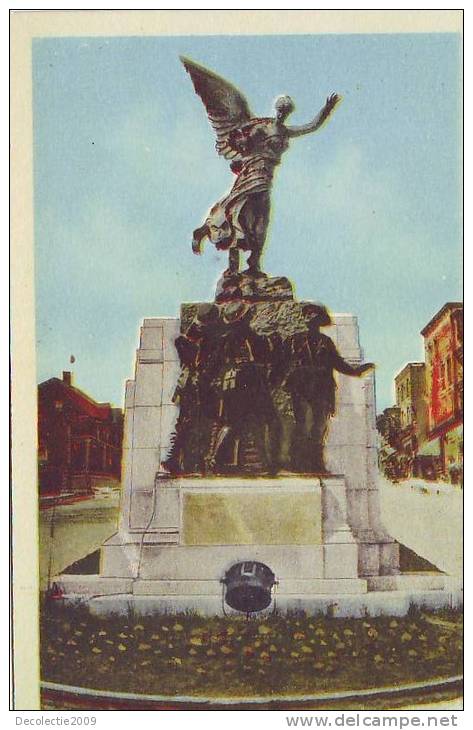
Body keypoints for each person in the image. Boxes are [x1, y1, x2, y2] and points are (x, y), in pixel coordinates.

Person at [284, 304, 374, 473]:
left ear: (319, 322)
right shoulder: (294, 341)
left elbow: (338, 363)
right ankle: (297, 462)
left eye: (314, 318)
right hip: (301, 387)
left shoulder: (326, 342)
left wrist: (356, 371)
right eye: (307, 317)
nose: (310, 321)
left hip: (321, 389)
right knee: (301, 424)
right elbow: (282, 363)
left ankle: (316, 462)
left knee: (319, 426)